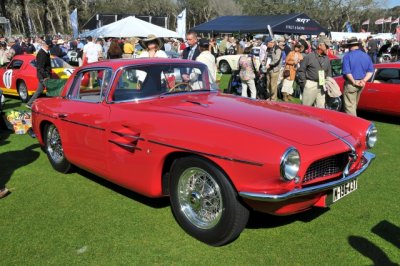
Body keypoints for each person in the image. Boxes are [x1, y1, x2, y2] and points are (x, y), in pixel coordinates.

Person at [342, 37, 374, 116]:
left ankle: (352, 126)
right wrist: (364, 80)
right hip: (361, 83)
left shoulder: (347, 56)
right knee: (353, 105)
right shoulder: (366, 56)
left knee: (350, 107)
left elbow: (347, 72)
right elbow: (371, 71)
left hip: (351, 83)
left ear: (349, 46)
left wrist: (353, 82)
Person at [297, 36, 332, 108]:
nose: (328, 48)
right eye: (327, 46)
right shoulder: (309, 57)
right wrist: (304, 83)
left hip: (322, 85)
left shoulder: (327, 58)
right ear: (320, 46)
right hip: (310, 84)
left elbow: (329, 72)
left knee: (321, 109)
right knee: (306, 108)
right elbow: (301, 70)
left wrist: (328, 82)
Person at [26, 41, 51, 108]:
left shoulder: (45, 53)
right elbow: (40, 67)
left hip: (44, 74)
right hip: (44, 75)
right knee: (50, 89)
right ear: (45, 45)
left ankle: (30, 103)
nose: (50, 47)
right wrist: (45, 76)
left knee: (41, 90)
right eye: (49, 46)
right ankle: (30, 103)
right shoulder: (42, 53)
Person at [265, 37, 284, 101]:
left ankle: (273, 99)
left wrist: (270, 65)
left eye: (267, 43)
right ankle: (268, 97)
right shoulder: (268, 48)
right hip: (268, 69)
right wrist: (264, 61)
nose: (266, 45)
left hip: (274, 70)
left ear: (271, 42)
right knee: (268, 85)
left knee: (273, 86)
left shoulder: (277, 49)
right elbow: (266, 57)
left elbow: (276, 60)